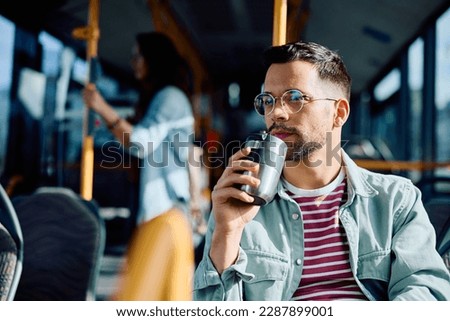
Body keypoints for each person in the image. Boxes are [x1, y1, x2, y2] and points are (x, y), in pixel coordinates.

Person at [193, 41, 450, 300]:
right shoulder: (238, 202)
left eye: (294, 98)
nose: (276, 113)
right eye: (268, 100)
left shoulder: (395, 200)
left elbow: (426, 293)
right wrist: (227, 232)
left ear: (338, 112)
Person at [83, 32, 194, 224]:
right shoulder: (161, 97)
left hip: (165, 205)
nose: (133, 62)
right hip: (158, 204)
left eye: (138, 56)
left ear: (154, 59)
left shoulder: (170, 97)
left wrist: (101, 107)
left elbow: (141, 143)